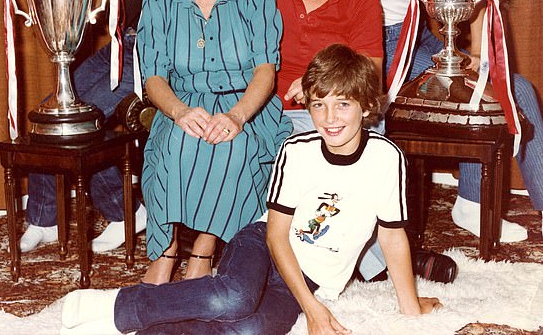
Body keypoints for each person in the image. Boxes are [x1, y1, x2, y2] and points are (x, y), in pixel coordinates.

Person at [59, 44, 442, 335]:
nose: (329, 118)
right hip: (262, 243)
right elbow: (276, 235)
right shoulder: (298, 151)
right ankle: (114, 306)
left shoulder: (386, 158)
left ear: (368, 106)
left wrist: (410, 308)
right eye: (319, 105)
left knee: (249, 328)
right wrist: (311, 309)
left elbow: (392, 238)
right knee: (233, 297)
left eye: (343, 105)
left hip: (310, 277)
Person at [20, 0, 273, 255]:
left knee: (84, 119)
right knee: (54, 108)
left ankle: (124, 212)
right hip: (120, 43)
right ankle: (45, 216)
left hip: (158, 50)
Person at [336, 0, 543, 240]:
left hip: (428, 40)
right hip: (371, 51)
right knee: (457, 98)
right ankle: (465, 204)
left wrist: (480, 55)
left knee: (517, 91)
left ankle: (482, 199)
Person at [269, 0, 456, 284]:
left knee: (370, 147)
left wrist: (320, 84)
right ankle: (380, 262)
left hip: (337, 108)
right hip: (273, 112)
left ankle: (376, 253)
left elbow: (369, 75)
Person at [136, 0, 292, 284]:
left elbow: (265, 71)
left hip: (247, 105)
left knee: (232, 147)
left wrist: (237, 116)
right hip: (182, 101)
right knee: (174, 143)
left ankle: (203, 254)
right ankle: (166, 252)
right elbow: (153, 76)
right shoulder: (158, 2)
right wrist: (180, 112)